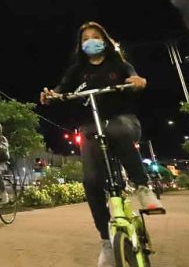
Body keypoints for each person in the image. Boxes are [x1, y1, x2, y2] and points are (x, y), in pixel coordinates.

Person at [40, 21, 162, 267]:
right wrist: (51, 95)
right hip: (91, 126)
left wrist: (137, 81)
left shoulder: (119, 64)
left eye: (95, 37)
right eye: (85, 39)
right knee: (92, 180)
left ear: (105, 40)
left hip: (123, 121)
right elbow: (61, 89)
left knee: (116, 130)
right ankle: (106, 241)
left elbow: (134, 77)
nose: (90, 42)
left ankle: (142, 186)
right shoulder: (77, 71)